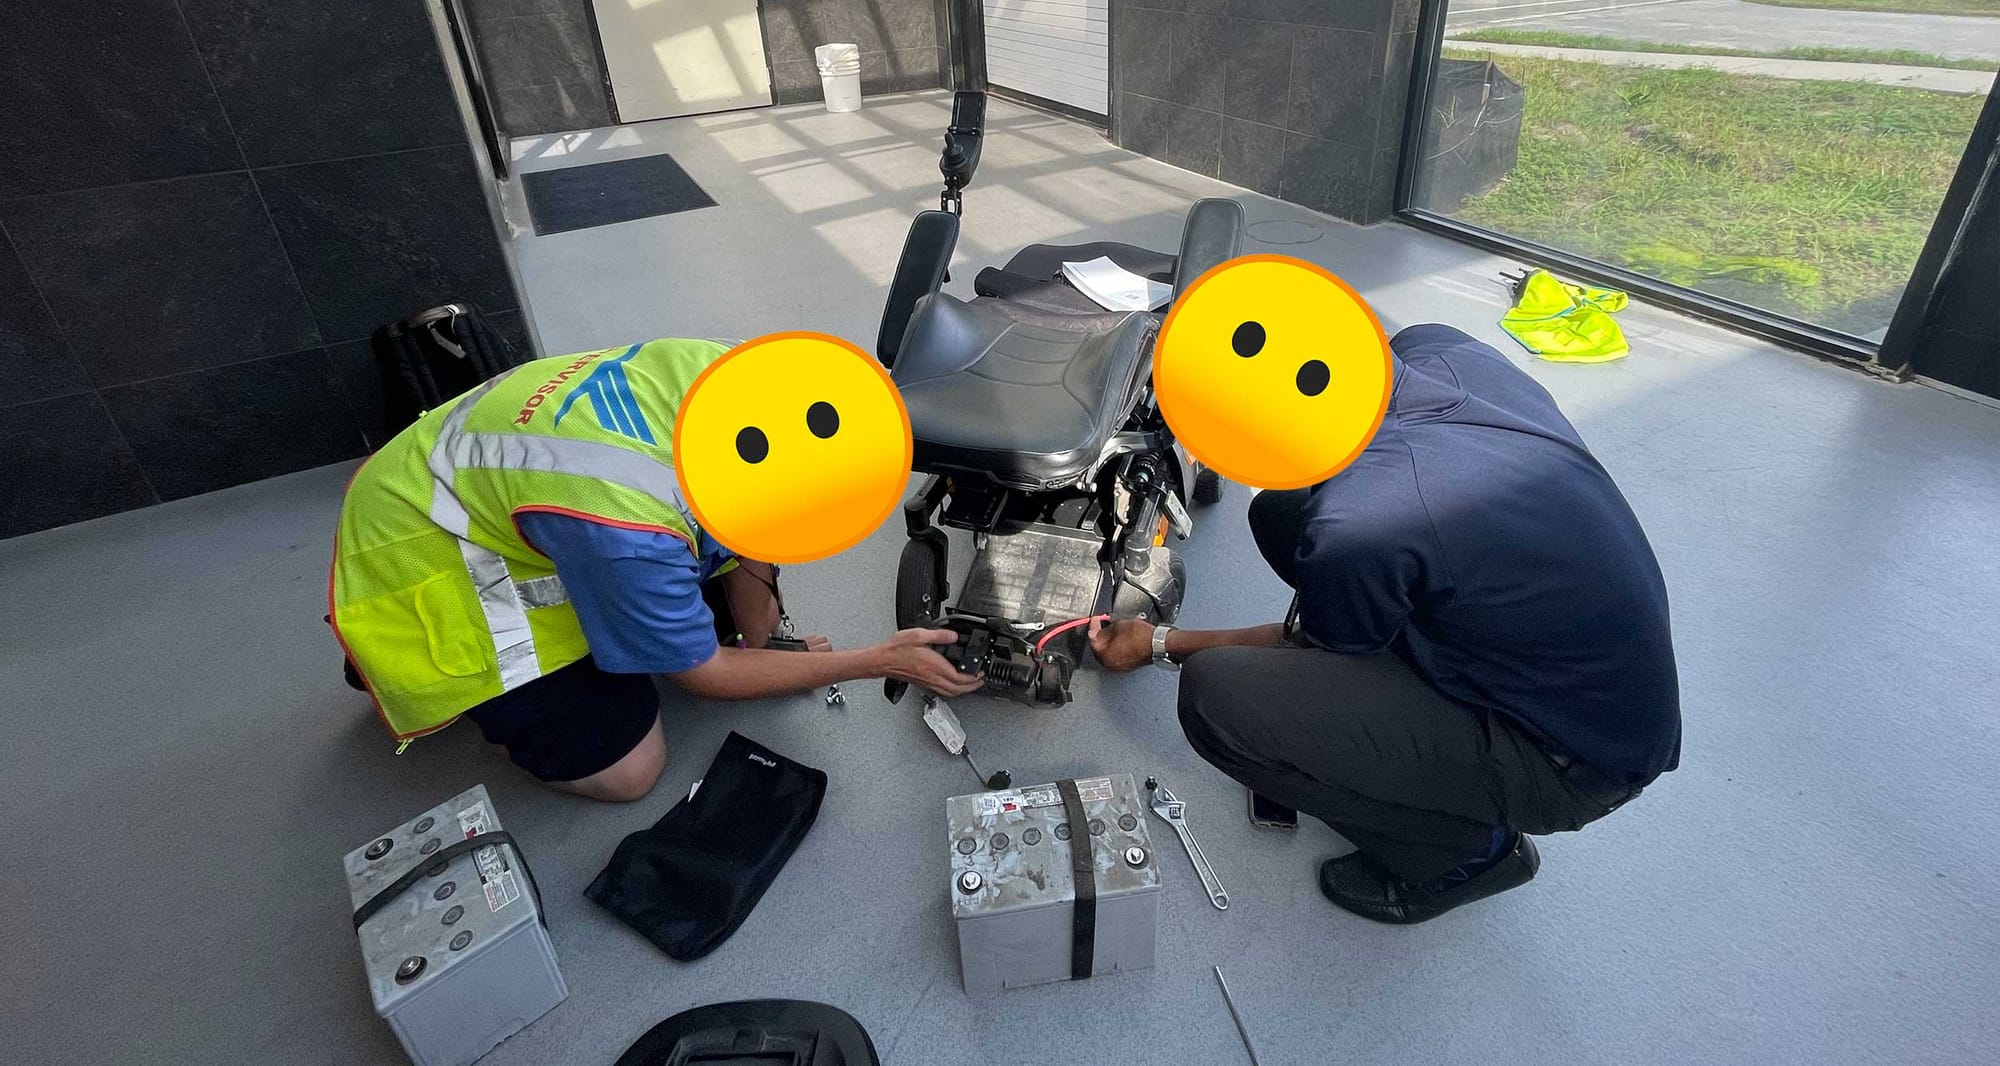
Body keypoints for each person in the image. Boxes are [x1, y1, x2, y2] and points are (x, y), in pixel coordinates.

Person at [1088, 323, 1681, 925]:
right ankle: (1390, 700)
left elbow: (1305, 645)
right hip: (1570, 670)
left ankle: (1466, 856)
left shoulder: (1366, 520)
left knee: (1219, 698)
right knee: (1282, 515)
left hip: (1569, 758)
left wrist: (1159, 643)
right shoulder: (1437, 348)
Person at [330, 337, 980, 803]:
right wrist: (874, 661)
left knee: (696, 599)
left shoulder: (737, 383)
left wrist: (769, 647)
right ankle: (459, 690)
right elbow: (705, 676)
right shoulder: (627, 527)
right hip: (423, 562)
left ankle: (621, 623)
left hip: (494, 495)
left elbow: (752, 537)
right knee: (630, 772)